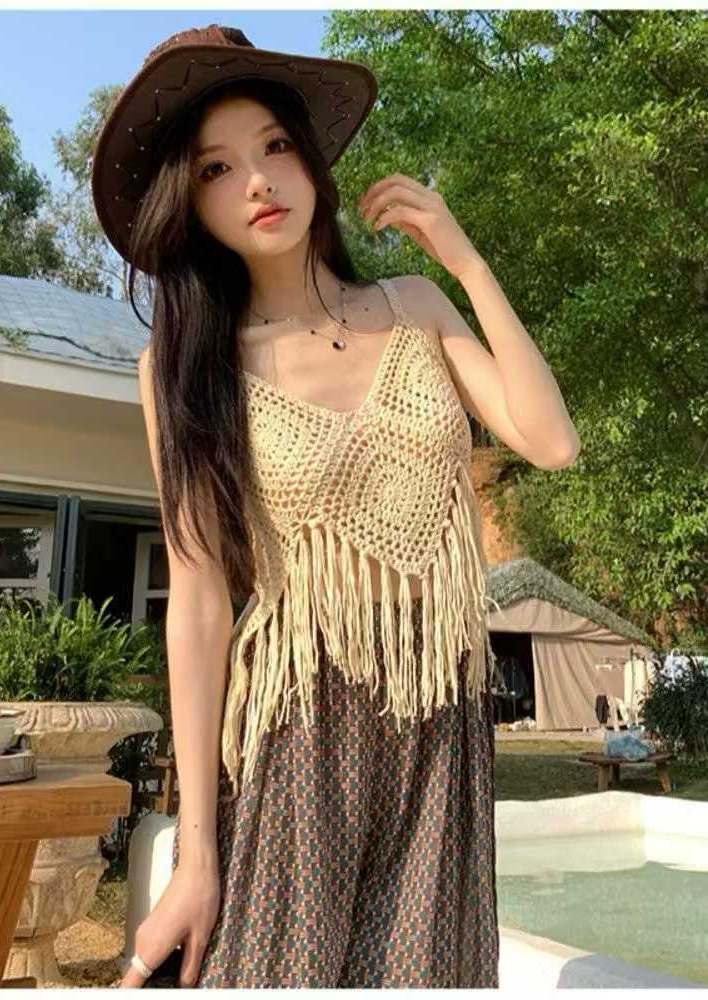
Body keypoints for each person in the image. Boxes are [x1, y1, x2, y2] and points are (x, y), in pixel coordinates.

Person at [91, 23, 580, 989]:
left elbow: (550, 440)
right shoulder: (186, 367)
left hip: (442, 718)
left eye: (275, 146)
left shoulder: (413, 305)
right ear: (190, 203)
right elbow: (199, 604)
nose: (257, 182)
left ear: (310, 161)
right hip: (301, 727)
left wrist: (468, 263)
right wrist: (196, 851)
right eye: (217, 168)